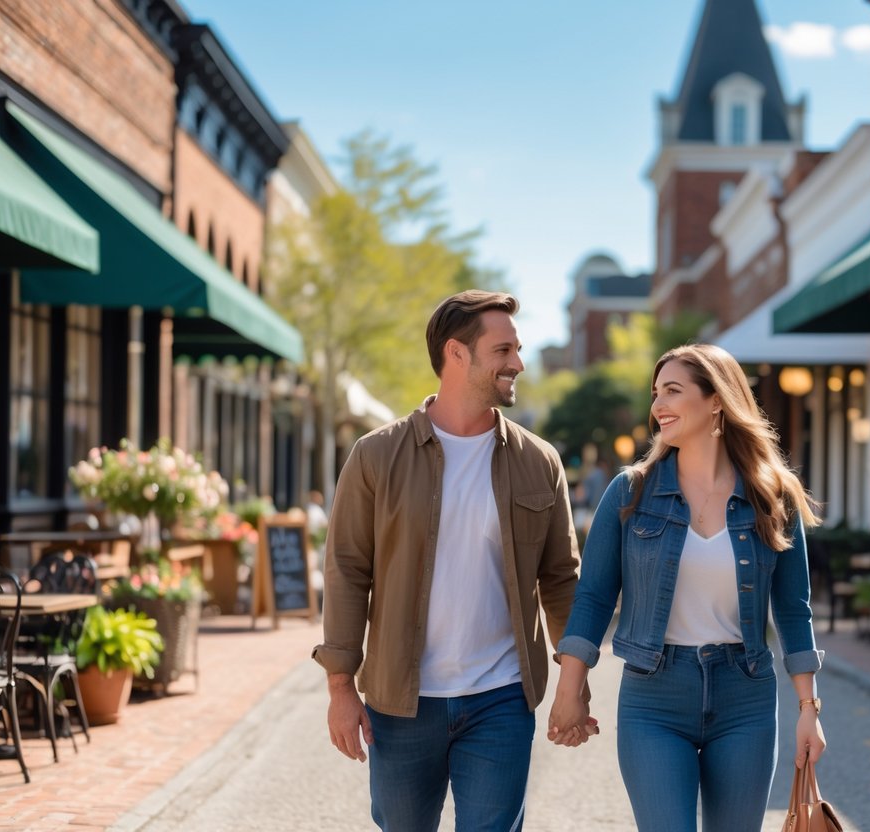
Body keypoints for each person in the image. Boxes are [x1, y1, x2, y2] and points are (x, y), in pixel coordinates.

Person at [313, 290, 596, 831]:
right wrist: (340, 686)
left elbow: (562, 579)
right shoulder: (376, 456)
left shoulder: (539, 462)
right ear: (457, 354)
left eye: (517, 349)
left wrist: (573, 680)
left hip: (502, 698)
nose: (517, 362)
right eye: (504, 349)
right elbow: (347, 570)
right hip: (402, 700)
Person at [547, 343, 827, 832]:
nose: (658, 406)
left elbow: (792, 609)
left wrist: (809, 709)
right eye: (656, 394)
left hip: (745, 696)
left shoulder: (770, 495)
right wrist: (570, 687)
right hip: (654, 697)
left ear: (716, 400)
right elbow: (593, 596)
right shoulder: (630, 493)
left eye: (673, 391)